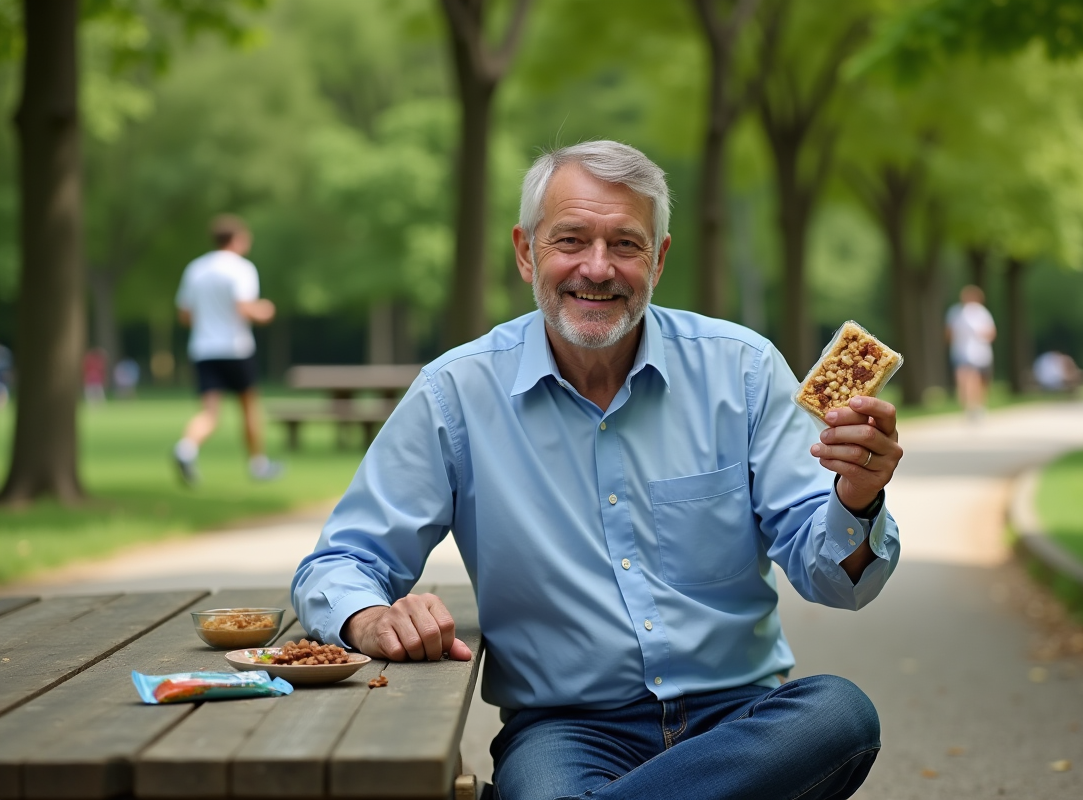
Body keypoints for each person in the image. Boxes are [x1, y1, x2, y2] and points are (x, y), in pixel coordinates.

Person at [292, 141, 903, 800]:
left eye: (626, 245)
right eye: (571, 240)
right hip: (566, 729)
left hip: (740, 722)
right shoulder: (457, 394)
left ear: (660, 259)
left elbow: (834, 582)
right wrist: (367, 619)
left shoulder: (744, 372)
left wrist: (857, 498)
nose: (597, 268)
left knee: (841, 716)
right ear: (526, 251)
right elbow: (342, 561)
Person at [173, 214, 282, 485]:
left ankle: (186, 448)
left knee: (210, 413)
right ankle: (258, 465)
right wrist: (265, 311)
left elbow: (185, 315)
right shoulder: (241, 268)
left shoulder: (195, 269)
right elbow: (244, 308)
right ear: (237, 239)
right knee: (248, 408)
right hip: (235, 348)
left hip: (203, 348)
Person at [945, 284, 996, 421]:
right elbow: (949, 333)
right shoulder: (955, 312)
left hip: (981, 353)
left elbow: (991, 333)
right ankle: (969, 407)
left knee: (980, 382)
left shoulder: (982, 313)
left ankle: (978, 405)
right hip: (961, 352)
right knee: (965, 379)